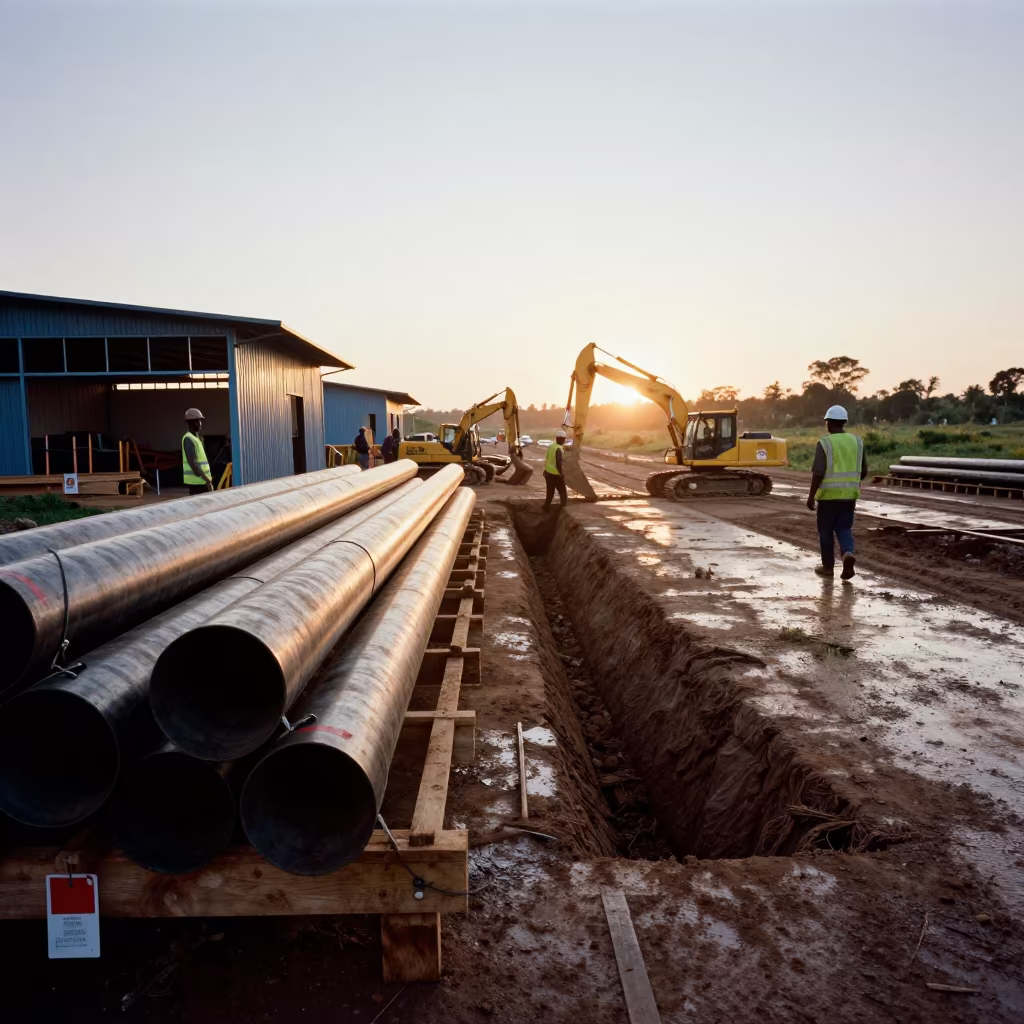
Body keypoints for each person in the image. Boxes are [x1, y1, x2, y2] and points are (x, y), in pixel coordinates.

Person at [807, 405, 868, 580]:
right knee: (844, 528)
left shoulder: (825, 443)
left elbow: (818, 472)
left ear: (829, 423)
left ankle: (828, 568)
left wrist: (811, 496)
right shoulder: (857, 442)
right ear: (844, 422)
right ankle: (848, 553)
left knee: (825, 531)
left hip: (828, 498)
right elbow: (863, 471)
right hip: (849, 496)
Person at [182, 407, 214, 494]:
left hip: (201, 481)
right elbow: (194, 465)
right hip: (197, 483)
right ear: (192, 422)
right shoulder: (188, 439)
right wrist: (207, 480)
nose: (200, 423)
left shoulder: (197, 439)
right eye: (198, 421)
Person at [543, 430, 568, 511]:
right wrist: (561, 474)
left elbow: (548, 459)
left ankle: (546, 507)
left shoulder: (551, 446)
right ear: (561, 439)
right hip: (556, 474)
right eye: (564, 439)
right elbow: (558, 463)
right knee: (562, 491)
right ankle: (563, 508)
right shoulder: (558, 448)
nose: (564, 441)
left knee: (550, 492)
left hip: (548, 473)